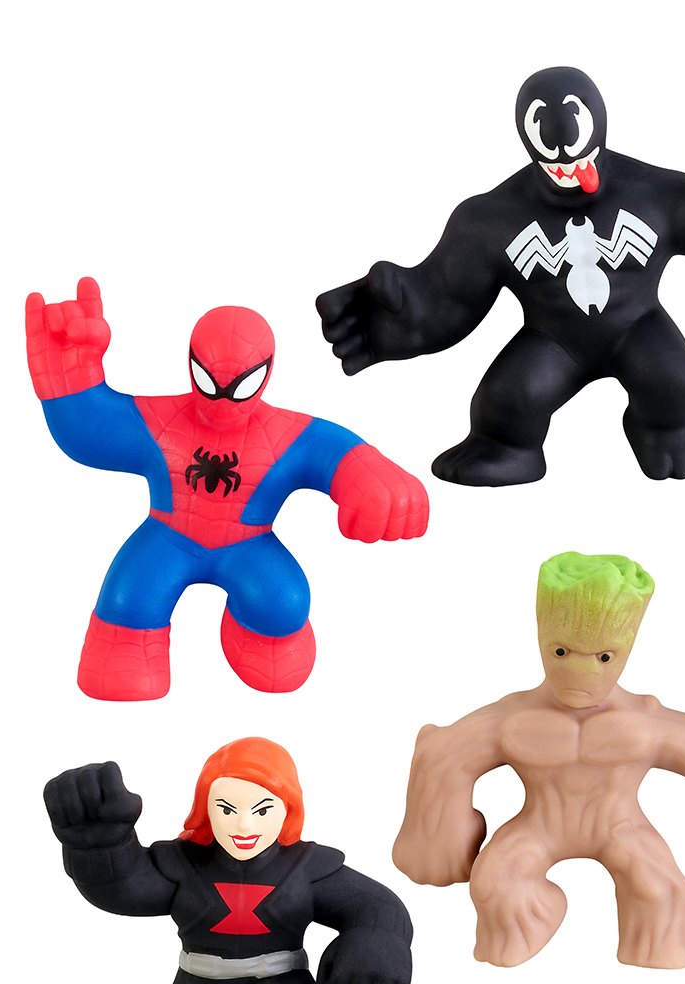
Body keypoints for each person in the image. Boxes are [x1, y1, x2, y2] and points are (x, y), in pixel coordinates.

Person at [318, 67, 685, 485]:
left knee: (676, 384)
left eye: (573, 116)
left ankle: (665, 428)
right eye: (543, 121)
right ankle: (505, 449)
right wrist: (399, 316)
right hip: (553, 339)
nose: (562, 141)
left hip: (638, 326)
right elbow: (450, 300)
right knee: (507, 402)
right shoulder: (493, 219)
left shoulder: (651, 195)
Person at [393, 551, 685, 967]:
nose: (582, 673)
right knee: (494, 888)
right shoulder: (512, 719)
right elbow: (442, 754)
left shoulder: (643, 722)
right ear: (542, 637)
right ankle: (533, 924)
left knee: (658, 893)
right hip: (537, 827)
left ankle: (653, 961)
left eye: (604, 656)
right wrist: (439, 841)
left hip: (621, 826)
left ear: (625, 649)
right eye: (562, 652)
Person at [27, 278, 428, 699]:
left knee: (284, 603)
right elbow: (97, 431)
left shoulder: (285, 433)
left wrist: (376, 480)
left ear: (265, 374)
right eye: (209, 381)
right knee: (131, 596)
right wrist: (72, 383)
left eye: (240, 386)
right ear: (191, 364)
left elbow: (337, 453)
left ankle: (253, 630)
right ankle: (127, 645)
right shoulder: (164, 420)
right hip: (168, 534)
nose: (222, 400)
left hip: (248, 543)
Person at [44, 737, 414, 984]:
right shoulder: (183, 862)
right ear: (205, 807)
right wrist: (100, 846)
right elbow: (128, 889)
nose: (244, 825)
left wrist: (377, 938)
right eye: (226, 808)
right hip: (200, 976)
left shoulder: (307, 866)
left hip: (283, 975)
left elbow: (372, 903)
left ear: (288, 807)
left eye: (262, 809)